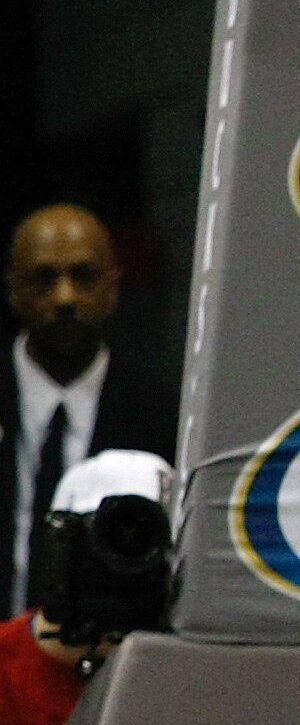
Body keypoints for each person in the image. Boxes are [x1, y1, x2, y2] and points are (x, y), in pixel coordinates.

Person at [6, 204, 174, 617]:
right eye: (45, 279)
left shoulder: (162, 417)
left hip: (115, 662)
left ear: (113, 285)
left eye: (83, 276)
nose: (65, 297)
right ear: (13, 289)